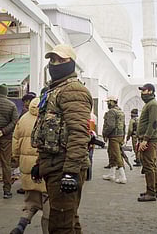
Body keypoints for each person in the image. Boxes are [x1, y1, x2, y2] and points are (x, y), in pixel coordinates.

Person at [31, 44, 93, 233]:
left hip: (63, 167)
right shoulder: (53, 90)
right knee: (69, 220)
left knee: (60, 226)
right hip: (53, 165)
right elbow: (46, 131)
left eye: (61, 60)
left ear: (71, 63)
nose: (55, 64)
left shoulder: (74, 90)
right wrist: (39, 163)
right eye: (52, 60)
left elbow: (79, 134)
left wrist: (71, 172)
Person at [11, 97, 49, 234]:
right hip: (43, 167)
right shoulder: (49, 117)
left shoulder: (24, 118)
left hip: (26, 166)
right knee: (48, 206)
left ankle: (20, 226)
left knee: (30, 202)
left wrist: (16, 158)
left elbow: (15, 141)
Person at [136, 83, 157, 202]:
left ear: (150, 91)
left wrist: (145, 139)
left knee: (149, 165)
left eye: (144, 91)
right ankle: (153, 190)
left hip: (150, 140)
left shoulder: (153, 105)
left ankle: (151, 192)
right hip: (149, 139)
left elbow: (153, 123)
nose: (142, 93)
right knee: (151, 165)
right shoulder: (150, 104)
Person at [101, 96, 127, 184]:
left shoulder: (111, 112)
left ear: (112, 102)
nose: (107, 103)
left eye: (108, 102)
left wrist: (105, 134)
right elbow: (124, 125)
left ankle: (122, 176)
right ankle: (111, 174)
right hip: (120, 135)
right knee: (112, 153)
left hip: (114, 136)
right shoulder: (120, 111)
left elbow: (110, 126)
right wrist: (123, 136)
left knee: (116, 155)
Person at [17, 92, 37, 195]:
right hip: (31, 143)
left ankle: (27, 187)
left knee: (27, 166)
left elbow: (17, 133)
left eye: (27, 101)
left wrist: (16, 151)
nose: (25, 103)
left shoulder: (25, 114)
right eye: (24, 101)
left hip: (27, 143)